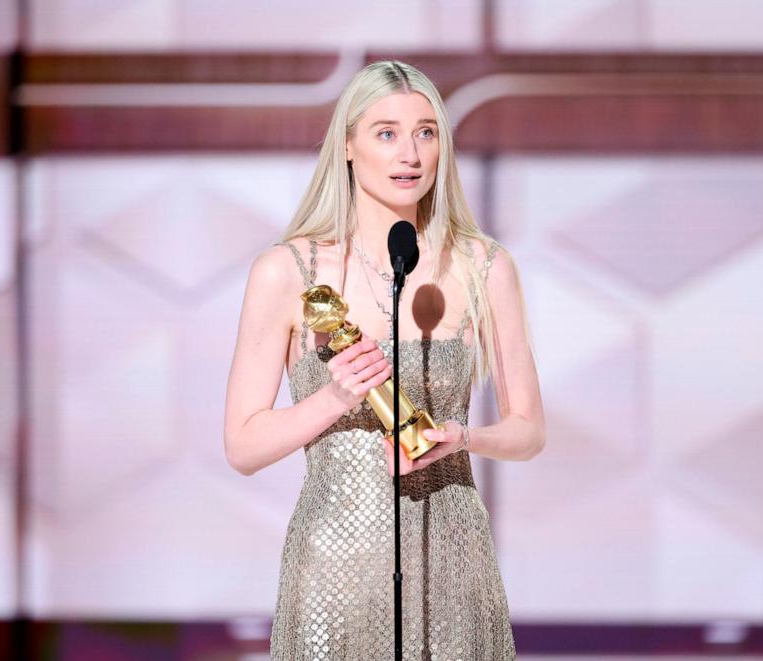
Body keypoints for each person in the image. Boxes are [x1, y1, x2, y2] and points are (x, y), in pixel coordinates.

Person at [224, 60, 545, 660]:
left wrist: (464, 437)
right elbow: (243, 446)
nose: (411, 155)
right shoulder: (287, 272)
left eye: (426, 133)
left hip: (451, 561)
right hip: (335, 571)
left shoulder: (483, 267)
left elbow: (529, 431)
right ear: (348, 144)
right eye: (387, 133)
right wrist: (334, 396)